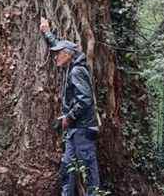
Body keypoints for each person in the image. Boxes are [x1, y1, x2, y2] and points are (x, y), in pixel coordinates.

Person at [40, 17, 101, 196]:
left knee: (89, 169)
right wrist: (47, 33)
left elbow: (85, 99)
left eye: (58, 54)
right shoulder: (72, 64)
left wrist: (68, 117)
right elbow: (60, 44)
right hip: (74, 131)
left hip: (82, 129)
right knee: (68, 169)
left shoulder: (76, 71)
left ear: (67, 55)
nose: (55, 56)